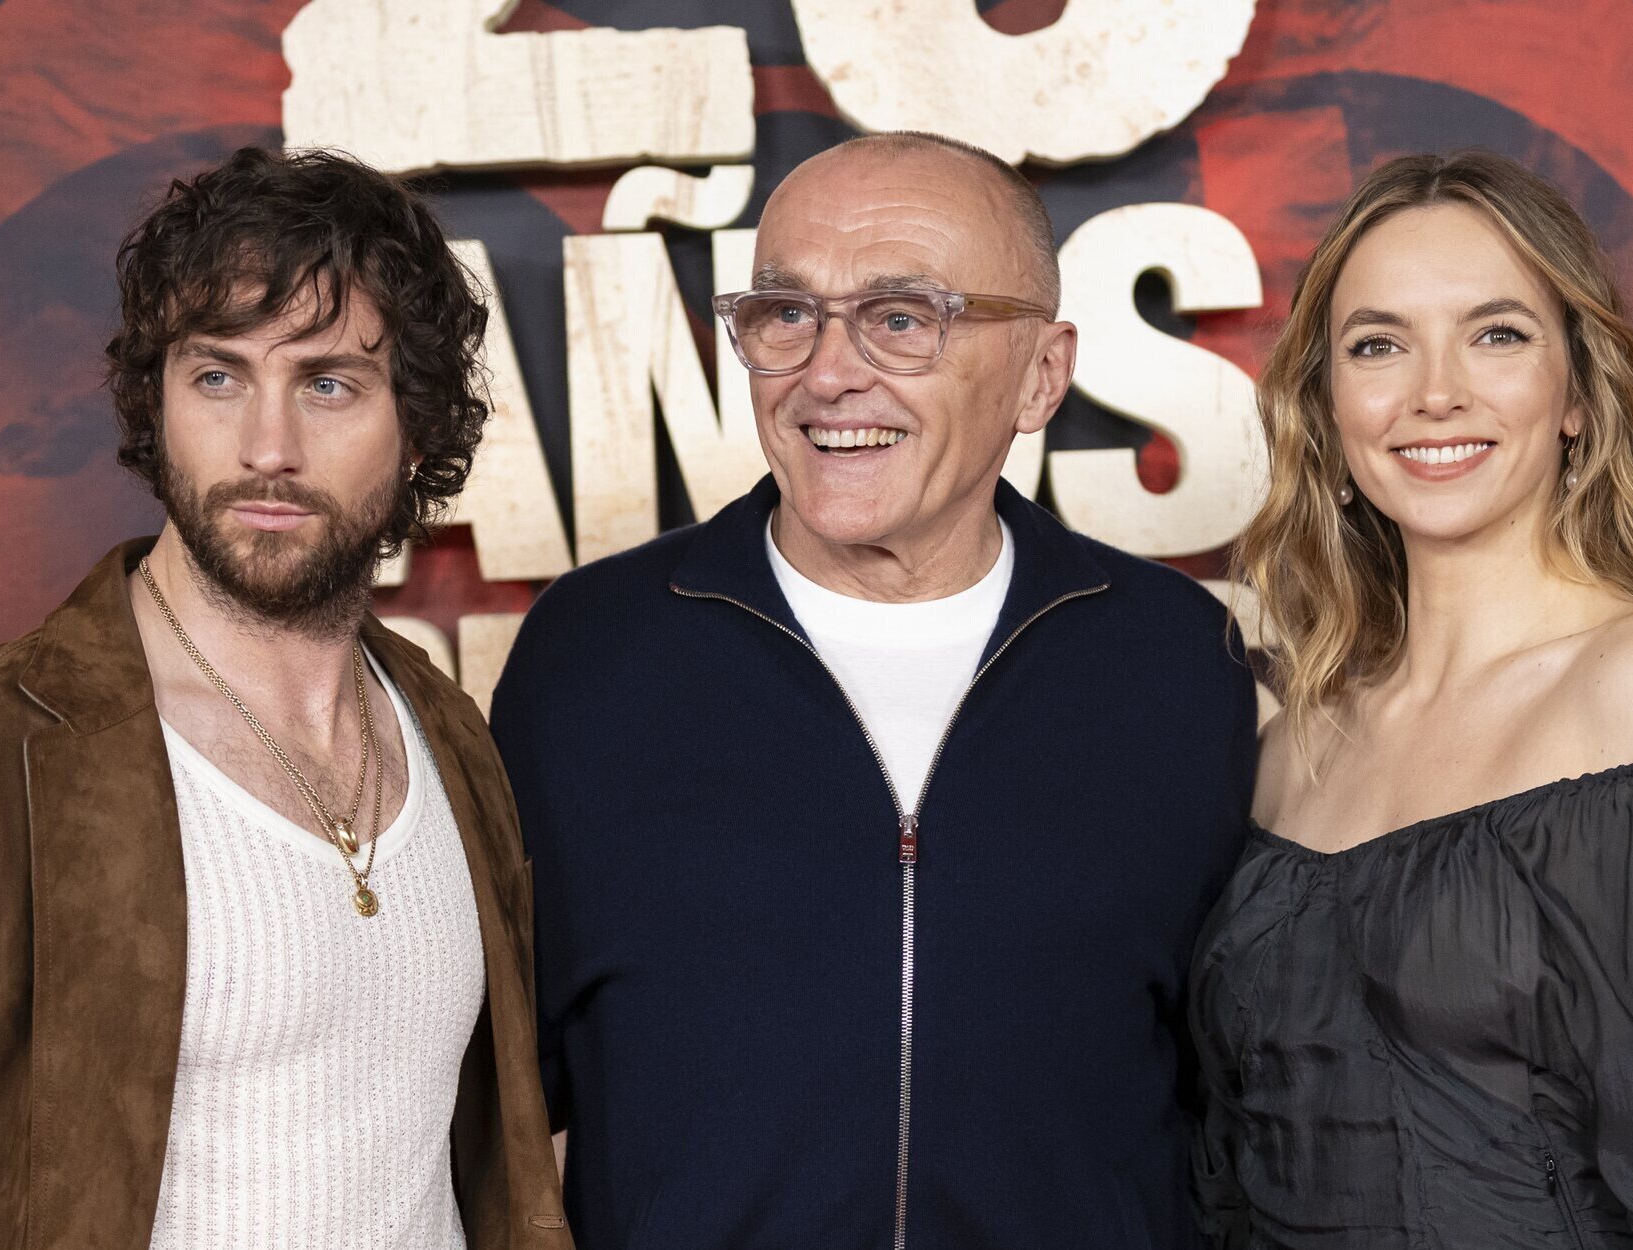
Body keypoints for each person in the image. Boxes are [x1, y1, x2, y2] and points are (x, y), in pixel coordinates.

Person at [492, 131, 1258, 1249]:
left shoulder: (1176, 663)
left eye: (901, 317)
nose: (826, 373)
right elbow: (499, 1096)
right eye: (785, 314)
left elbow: (1233, 1094)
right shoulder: (589, 655)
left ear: (1041, 375)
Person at [0, 147, 573, 1248]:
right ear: (155, 406)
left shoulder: (448, 732)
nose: (267, 447)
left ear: (418, 431)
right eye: (218, 376)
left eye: (328, 383)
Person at [1190, 150, 1633, 1248]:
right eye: (1378, 345)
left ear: (1577, 395)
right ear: (1329, 409)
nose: (1434, 391)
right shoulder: (1295, 742)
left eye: (1496, 334)